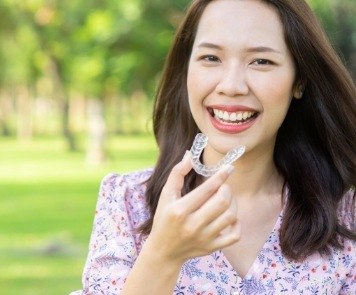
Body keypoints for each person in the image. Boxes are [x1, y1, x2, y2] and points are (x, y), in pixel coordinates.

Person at [71, 0, 356, 294]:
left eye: (261, 61)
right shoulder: (127, 204)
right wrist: (163, 254)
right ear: (186, 71)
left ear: (300, 81)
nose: (231, 85)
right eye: (210, 58)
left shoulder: (345, 215)